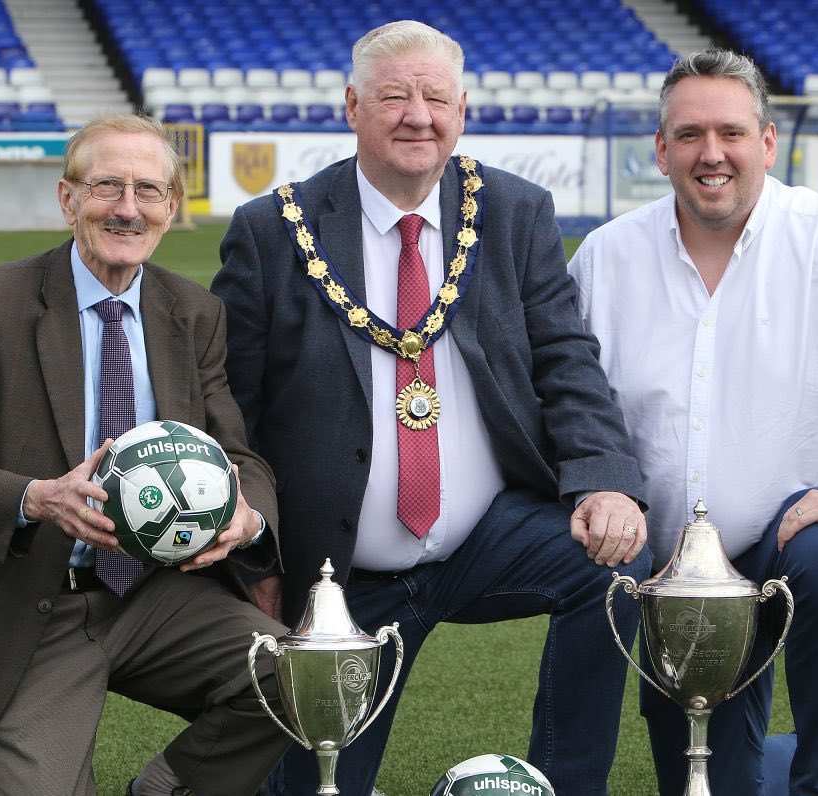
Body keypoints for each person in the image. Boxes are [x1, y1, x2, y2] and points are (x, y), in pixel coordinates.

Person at [212, 19, 652, 796]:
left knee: (612, 565)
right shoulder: (272, 230)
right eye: (394, 96)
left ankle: (567, 782)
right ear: (352, 107)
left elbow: (565, 357)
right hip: (336, 573)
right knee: (314, 788)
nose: (418, 115)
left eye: (436, 97)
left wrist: (604, 480)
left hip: (487, 537)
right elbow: (230, 411)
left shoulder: (515, 212)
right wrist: (258, 560)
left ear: (463, 107)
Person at [568, 49, 818, 796]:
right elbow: (567, 402)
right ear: (659, 150)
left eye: (731, 132)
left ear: (769, 142)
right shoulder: (605, 259)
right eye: (688, 135)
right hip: (675, 572)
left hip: (797, 534)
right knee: (714, 784)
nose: (710, 154)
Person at [0, 114, 293, 796]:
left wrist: (246, 518)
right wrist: (36, 498)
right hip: (34, 598)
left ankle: (165, 788)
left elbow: (237, 455)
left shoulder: (194, 312)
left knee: (306, 676)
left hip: (153, 595)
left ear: (172, 208)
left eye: (149, 190)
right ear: (68, 197)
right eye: (108, 185)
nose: (128, 208)